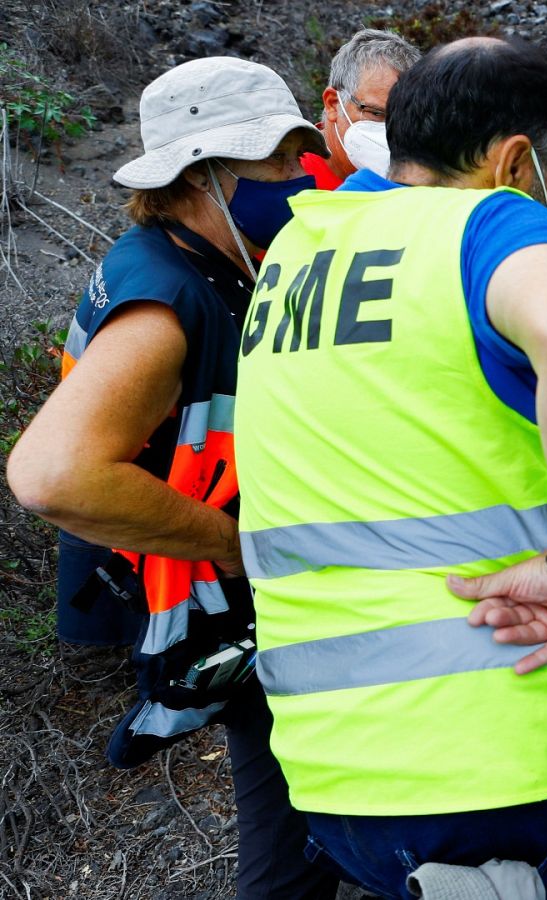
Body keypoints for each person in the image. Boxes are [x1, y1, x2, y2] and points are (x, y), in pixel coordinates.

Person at [233, 37, 547, 900]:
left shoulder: (302, 249)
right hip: (500, 752)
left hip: (332, 769)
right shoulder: (489, 219)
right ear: (514, 162)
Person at [7, 58, 336, 898]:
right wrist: (234, 544)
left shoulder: (203, 258)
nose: (296, 175)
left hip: (197, 581)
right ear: (200, 174)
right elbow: (52, 475)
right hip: (197, 582)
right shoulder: (164, 299)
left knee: (291, 791)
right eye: (274, 160)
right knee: (290, 807)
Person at [301, 28, 419, 188]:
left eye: (404, 120)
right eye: (376, 113)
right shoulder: (288, 178)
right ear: (333, 104)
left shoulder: (417, 181)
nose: (391, 131)